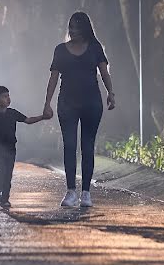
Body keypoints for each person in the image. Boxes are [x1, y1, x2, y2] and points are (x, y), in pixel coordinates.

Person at [42, 11, 115, 208]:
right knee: (69, 145)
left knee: (88, 146)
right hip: (67, 103)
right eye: (71, 29)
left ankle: (86, 193)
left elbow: (103, 72)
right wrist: (47, 103)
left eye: (77, 29)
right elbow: (53, 78)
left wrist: (111, 93)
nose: (73, 32)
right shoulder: (60, 50)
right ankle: (70, 191)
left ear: (85, 30)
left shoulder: (95, 48)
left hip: (92, 103)